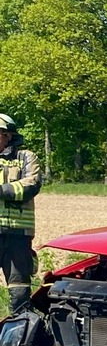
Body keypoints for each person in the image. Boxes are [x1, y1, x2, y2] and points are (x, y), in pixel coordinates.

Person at [0, 113, 41, 315]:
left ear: (7, 135)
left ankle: (19, 336)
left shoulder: (26, 157)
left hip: (17, 235)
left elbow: (31, 185)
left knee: (19, 293)